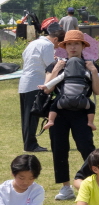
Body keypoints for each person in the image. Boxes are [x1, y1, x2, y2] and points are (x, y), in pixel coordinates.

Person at [43, 31, 99, 201]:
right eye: (69, 44)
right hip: (59, 112)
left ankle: (94, 183)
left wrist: (93, 72)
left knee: (86, 147)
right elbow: (47, 88)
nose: (73, 47)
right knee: (59, 149)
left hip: (82, 113)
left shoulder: (90, 65)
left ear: (83, 46)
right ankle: (65, 187)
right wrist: (56, 70)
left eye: (77, 44)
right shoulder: (57, 63)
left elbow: (97, 91)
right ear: (64, 47)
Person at [18, 22, 59, 152]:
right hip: (36, 83)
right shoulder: (47, 45)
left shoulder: (33, 43)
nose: (57, 47)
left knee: (27, 117)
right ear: (56, 39)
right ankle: (30, 144)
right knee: (32, 116)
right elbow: (50, 66)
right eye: (58, 44)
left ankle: (29, 143)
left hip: (25, 83)